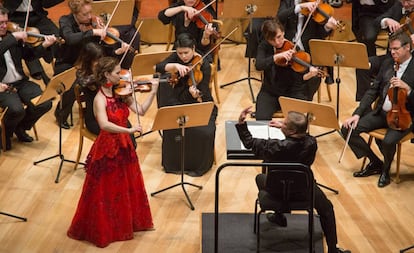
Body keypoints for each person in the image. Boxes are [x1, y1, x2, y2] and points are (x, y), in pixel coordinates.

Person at [236, 106, 351, 253]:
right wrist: (284, 129)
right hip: (305, 189)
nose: (281, 124)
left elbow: (249, 142)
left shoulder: (275, 147)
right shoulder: (312, 143)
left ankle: (279, 213)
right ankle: (333, 249)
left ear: (292, 131)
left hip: (276, 191)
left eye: (284, 124)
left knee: (260, 178)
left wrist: (241, 123)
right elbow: (305, 137)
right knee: (327, 208)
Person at [67, 56, 154, 248]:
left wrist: (153, 92)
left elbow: (141, 110)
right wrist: (129, 131)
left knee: (126, 186)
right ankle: (108, 228)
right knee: (106, 191)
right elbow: (105, 125)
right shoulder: (99, 99)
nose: (122, 74)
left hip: (124, 146)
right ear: (107, 74)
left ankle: (127, 223)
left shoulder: (121, 92)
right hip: (108, 147)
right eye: (117, 72)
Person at [341, 32, 414, 188]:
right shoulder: (388, 63)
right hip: (382, 113)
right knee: (348, 129)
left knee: (388, 141)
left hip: (404, 118)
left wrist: (408, 89)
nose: (392, 52)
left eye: (396, 49)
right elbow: (372, 91)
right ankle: (376, 163)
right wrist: (357, 114)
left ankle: (386, 171)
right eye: (390, 49)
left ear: (407, 47)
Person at [54, 0, 129, 129]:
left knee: (103, 77)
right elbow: (70, 39)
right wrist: (93, 32)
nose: (89, 17)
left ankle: (100, 111)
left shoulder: (93, 22)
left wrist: (115, 49)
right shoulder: (65, 21)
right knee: (72, 87)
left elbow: (99, 48)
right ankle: (61, 114)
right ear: (75, 14)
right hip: (68, 61)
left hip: (88, 61)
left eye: (90, 12)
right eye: (85, 14)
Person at [155, 32, 217, 177]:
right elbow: (159, 66)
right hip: (178, 102)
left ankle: (198, 166)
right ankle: (174, 165)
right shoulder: (176, 58)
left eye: (186, 53)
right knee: (171, 127)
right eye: (180, 53)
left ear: (194, 48)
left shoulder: (204, 65)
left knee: (204, 132)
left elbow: (205, 94)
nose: (183, 56)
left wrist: (196, 94)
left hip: (199, 103)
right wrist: (174, 65)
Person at [0, 6, 54, 150]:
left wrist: (44, 45)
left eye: (6, 22)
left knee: (45, 103)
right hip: (2, 86)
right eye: (0, 23)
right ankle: (5, 134)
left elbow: (29, 56)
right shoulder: (11, 38)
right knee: (17, 110)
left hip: (20, 82)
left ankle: (20, 128)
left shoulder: (12, 37)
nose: (4, 26)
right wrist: (13, 38)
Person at [254, 18, 319, 120]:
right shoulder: (264, 46)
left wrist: (309, 75)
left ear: (283, 32)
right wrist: (277, 57)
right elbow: (259, 65)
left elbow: (299, 79)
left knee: (298, 122)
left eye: (279, 37)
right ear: (267, 39)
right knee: (261, 118)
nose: (277, 42)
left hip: (291, 92)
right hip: (270, 92)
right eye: (272, 40)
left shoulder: (293, 48)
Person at [277, 0, 339, 100]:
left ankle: (304, 103)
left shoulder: (316, 3)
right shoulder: (288, 1)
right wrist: (300, 7)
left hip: (309, 52)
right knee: (279, 69)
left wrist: (327, 27)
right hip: (288, 48)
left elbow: (320, 34)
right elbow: (280, 17)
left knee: (314, 77)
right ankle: (286, 99)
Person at [3, 0, 62, 84]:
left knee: (56, 36)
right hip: (15, 16)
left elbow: (46, 4)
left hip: (37, 15)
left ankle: (58, 68)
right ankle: (40, 73)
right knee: (26, 41)